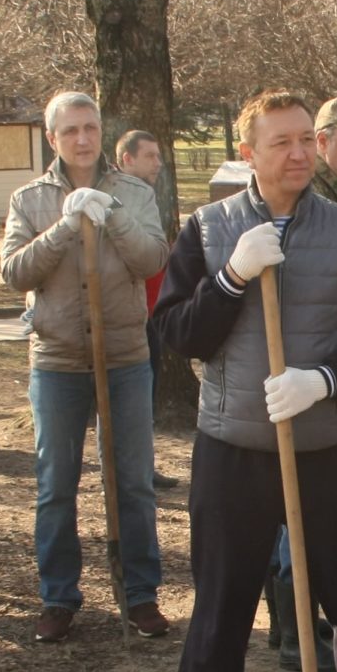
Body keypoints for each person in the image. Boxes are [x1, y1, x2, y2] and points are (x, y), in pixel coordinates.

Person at [150, 88, 337, 672]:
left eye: (304, 140)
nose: (296, 153)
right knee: (223, 593)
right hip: (233, 445)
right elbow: (176, 332)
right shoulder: (206, 232)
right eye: (280, 142)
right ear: (248, 154)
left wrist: (323, 380)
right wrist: (231, 278)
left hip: (328, 444)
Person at [1, 91, 171, 642]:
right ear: (52, 138)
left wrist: (111, 216)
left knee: (133, 483)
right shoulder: (30, 200)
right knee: (56, 484)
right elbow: (14, 273)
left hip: (124, 357)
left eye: (91, 127)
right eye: (70, 130)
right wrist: (65, 227)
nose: (83, 138)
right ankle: (59, 597)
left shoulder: (134, 192)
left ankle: (140, 593)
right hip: (57, 361)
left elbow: (152, 259)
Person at [114, 128, 182, 490]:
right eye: (150, 156)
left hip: (153, 314)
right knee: (129, 403)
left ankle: (143, 467)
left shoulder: (148, 197)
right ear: (127, 159)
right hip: (130, 316)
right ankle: (130, 474)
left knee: (145, 400)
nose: (159, 162)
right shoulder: (116, 200)